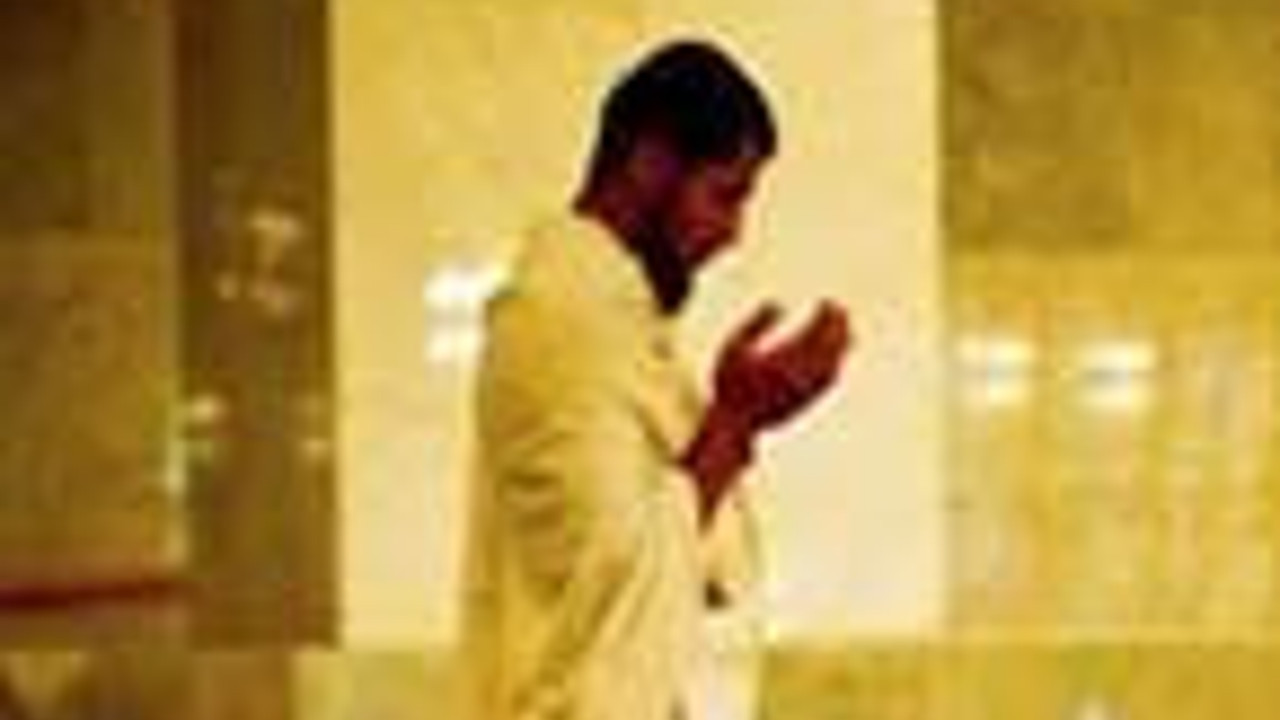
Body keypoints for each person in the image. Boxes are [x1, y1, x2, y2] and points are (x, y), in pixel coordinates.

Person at [461, 39, 851, 720]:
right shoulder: (557, 321)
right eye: (724, 195)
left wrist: (737, 425)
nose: (732, 233)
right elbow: (613, 600)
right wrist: (732, 425)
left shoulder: (615, 326)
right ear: (649, 162)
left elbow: (685, 571)